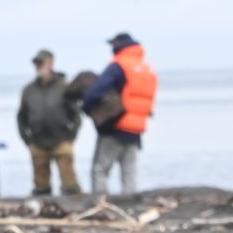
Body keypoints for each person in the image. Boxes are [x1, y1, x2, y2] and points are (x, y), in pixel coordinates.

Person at [82, 33, 158, 196]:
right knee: (128, 172)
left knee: (100, 170)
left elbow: (96, 91)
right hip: (136, 128)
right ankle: (130, 205)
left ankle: (100, 203)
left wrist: (87, 107)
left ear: (119, 45)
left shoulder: (119, 65)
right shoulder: (145, 68)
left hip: (115, 125)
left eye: (113, 45)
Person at [17, 49, 86, 196]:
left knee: (70, 184)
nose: (38, 66)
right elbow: (21, 117)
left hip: (61, 139)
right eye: (36, 63)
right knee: (41, 186)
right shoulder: (28, 90)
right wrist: (27, 139)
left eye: (41, 62)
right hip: (37, 141)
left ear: (50, 62)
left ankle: (75, 207)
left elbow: (76, 113)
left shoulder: (65, 86)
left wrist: (71, 136)